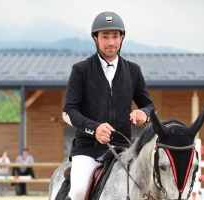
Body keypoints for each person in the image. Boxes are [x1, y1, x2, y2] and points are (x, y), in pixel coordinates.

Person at [62, 11, 155, 200]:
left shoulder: (134, 71)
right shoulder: (81, 70)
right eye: (105, 36)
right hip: (88, 148)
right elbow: (68, 111)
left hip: (125, 149)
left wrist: (144, 114)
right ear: (96, 38)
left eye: (115, 36)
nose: (111, 42)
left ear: (122, 38)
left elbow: (149, 106)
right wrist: (94, 128)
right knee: (79, 190)